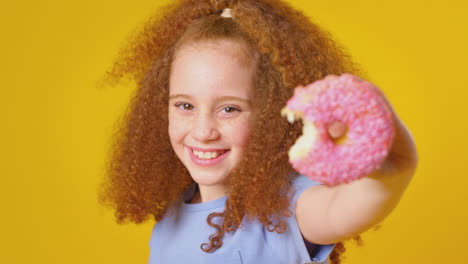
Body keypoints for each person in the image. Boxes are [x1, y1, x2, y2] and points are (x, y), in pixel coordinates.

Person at [98, 1, 418, 263]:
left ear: (273, 116)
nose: (203, 130)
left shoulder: (289, 210)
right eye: (185, 106)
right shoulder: (171, 216)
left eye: (229, 109)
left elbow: (364, 197)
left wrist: (388, 156)